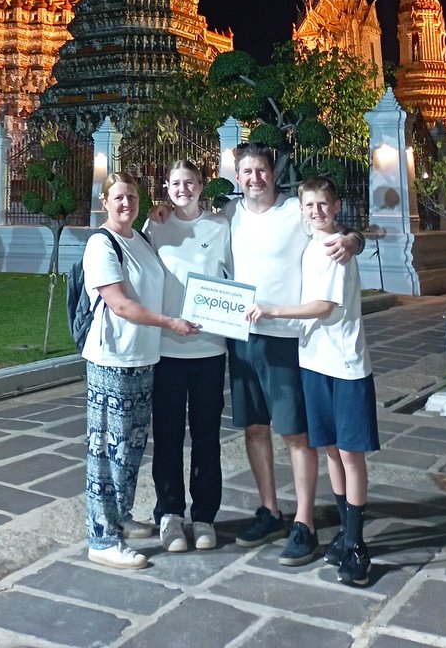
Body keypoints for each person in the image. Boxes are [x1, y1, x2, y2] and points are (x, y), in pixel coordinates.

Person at [222, 142, 362, 566]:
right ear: (237, 175)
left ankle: (305, 521)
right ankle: (270, 510)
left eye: (261, 171)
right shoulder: (230, 215)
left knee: (295, 433)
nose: (254, 179)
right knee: (254, 427)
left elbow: (336, 229)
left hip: (285, 337)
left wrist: (353, 240)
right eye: (246, 172)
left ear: (273, 172)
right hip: (243, 335)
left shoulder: (295, 214)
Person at [247, 176, 379, 585]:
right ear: (301, 210)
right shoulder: (309, 244)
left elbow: (323, 307)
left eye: (323, 204)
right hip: (315, 362)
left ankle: (357, 544)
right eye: (309, 206)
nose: (316, 212)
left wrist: (272, 311)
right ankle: (345, 530)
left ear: (336, 206)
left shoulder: (337, 247)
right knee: (332, 451)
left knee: (351, 454)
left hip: (345, 366)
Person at [82, 171, 201, 570]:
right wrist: (171, 324)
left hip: (143, 357)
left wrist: (162, 210)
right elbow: (120, 305)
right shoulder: (102, 244)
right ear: (105, 202)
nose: (125, 203)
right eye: (118, 197)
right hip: (112, 358)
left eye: (131, 196)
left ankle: (120, 516)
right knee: (106, 448)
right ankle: (102, 537)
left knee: (131, 445)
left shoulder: (141, 238)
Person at [142, 160, 232, 553]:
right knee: (167, 436)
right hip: (165, 348)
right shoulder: (156, 226)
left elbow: (235, 278)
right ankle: (170, 513)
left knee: (207, 436)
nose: (183, 189)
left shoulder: (219, 226)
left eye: (190, 182)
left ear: (202, 186)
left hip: (209, 348)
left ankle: (205, 516)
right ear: (167, 186)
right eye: (176, 183)